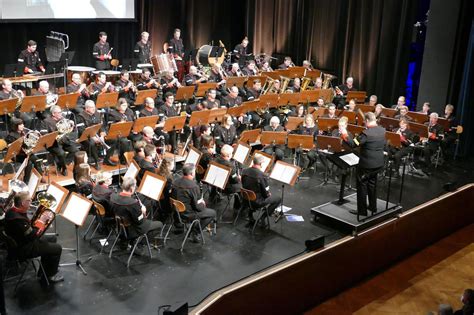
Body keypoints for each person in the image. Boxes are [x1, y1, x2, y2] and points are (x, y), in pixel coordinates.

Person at [5, 191, 63, 283]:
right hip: (24, 248)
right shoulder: (18, 221)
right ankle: (50, 276)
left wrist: (39, 222)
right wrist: (42, 221)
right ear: (22, 203)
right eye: (29, 200)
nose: (31, 202)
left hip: (22, 241)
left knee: (53, 238)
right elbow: (33, 236)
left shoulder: (11, 211)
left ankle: (45, 270)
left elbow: (28, 229)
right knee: (57, 248)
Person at [341, 112, 386, 216]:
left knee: (362, 186)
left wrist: (344, 134)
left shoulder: (366, 134)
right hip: (378, 163)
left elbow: (353, 144)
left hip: (366, 165)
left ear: (366, 121)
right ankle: (373, 207)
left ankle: (362, 211)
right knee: (372, 184)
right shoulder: (382, 130)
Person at [171, 164, 217, 243]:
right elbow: (197, 207)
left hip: (177, 212)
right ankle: (196, 231)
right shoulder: (193, 186)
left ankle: (186, 227)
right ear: (192, 173)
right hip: (188, 214)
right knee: (212, 213)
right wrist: (202, 204)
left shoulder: (175, 181)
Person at [110, 177, 163, 241]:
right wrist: (143, 210)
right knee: (160, 225)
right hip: (131, 230)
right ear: (132, 189)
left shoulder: (113, 196)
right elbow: (139, 221)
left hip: (119, 228)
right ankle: (139, 242)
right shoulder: (132, 203)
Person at [241, 155, 281, 225]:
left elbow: (243, 184)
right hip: (257, 202)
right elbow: (265, 193)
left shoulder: (244, 171)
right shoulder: (262, 175)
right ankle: (262, 218)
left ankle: (250, 215)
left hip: (245, 199)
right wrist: (268, 194)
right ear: (261, 164)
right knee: (278, 199)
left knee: (251, 190)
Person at [40, 105, 79, 176]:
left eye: (61, 112)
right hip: (53, 144)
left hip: (64, 141)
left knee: (75, 150)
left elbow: (68, 130)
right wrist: (54, 135)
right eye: (59, 113)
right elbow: (43, 134)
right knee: (61, 153)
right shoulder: (45, 121)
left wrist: (72, 125)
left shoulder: (63, 119)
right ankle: (64, 168)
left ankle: (62, 164)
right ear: (53, 114)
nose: (61, 114)